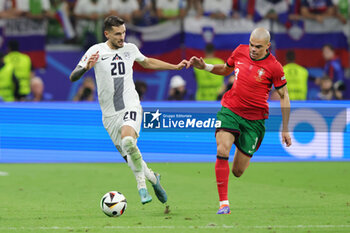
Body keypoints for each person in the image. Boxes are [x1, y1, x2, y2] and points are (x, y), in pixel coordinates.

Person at [69, 16, 189, 205]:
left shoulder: (130, 49)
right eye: (117, 34)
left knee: (128, 140)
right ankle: (153, 178)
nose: (122, 37)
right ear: (107, 33)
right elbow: (73, 77)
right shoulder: (96, 51)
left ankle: (141, 188)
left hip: (130, 105)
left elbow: (147, 62)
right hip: (109, 115)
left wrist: (174, 66)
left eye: (124, 32)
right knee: (130, 155)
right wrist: (86, 68)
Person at [190, 28, 292, 214]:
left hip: (254, 121)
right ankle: (224, 203)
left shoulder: (274, 67)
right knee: (222, 149)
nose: (253, 49)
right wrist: (205, 67)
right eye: (252, 44)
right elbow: (225, 69)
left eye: (258, 47)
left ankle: (238, 140)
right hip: (231, 110)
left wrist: (285, 128)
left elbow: (284, 96)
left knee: (237, 171)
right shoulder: (240, 51)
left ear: (268, 46)